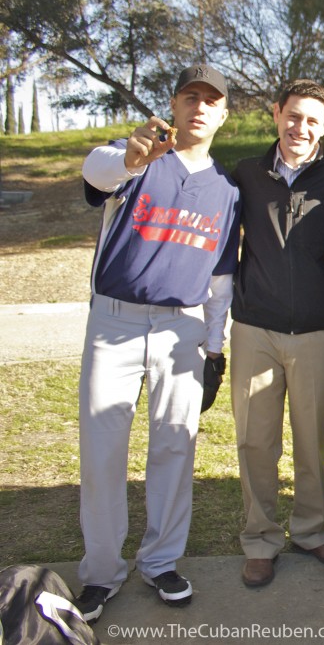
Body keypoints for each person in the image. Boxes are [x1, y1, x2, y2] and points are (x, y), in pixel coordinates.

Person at [73, 65, 241, 623]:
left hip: (182, 328)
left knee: (174, 446)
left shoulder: (226, 190)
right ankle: (100, 573)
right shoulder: (139, 156)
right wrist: (129, 158)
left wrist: (215, 348)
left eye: (210, 100)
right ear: (173, 104)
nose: (199, 107)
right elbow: (94, 173)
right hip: (115, 321)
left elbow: (220, 281)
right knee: (102, 452)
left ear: (223, 114)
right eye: (189, 96)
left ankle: (162, 560)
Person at [230, 79, 324, 588]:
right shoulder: (246, 174)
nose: (299, 127)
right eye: (292, 116)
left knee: (312, 441)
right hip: (254, 329)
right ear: (277, 114)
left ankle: (311, 530)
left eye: (311, 120)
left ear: (323, 126)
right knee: (255, 442)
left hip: (319, 332)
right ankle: (260, 539)